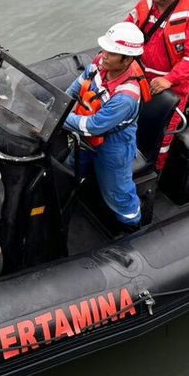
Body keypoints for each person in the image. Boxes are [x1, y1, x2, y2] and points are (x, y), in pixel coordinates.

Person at [64, 22, 150, 232]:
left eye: (112, 53)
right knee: (69, 168)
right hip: (85, 138)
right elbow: (74, 89)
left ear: (127, 59)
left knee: (117, 193)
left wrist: (60, 118)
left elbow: (94, 126)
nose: (104, 55)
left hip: (114, 147)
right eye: (105, 49)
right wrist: (60, 105)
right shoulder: (98, 65)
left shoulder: (126, 97)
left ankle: (132, 226)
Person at [125, 0, 189, 170]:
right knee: (130, 123)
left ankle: (155, 172)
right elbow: (125, 31)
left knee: (162, 135)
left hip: (173, 87)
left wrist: (169, 80)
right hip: (142, 78)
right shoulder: (146, 6)